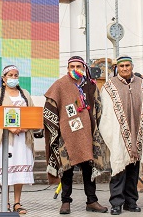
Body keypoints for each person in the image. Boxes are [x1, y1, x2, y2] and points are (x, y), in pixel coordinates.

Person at [44, 56, 108, 215]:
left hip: (88, 136)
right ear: (67, 68)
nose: (75, 69)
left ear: (84, 67)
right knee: (66, 170)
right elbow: (49, 107)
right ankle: (65, 202)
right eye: (72, 66)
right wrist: (57, 128)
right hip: (67, 136)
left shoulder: (91, 86)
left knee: (89, 170)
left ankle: (92, 201)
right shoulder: (60, 85)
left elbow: (99, 108)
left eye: (78, 66)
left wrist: (96, 128)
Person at [99, 56, 143, 215]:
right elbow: (106, 112)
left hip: (137, 135)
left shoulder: (142, 85)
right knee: (118, 170)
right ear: (117, 68)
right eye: (121, 66)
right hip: (118, 134)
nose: (124, 68)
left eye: (127, 65)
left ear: (132, 66)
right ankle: (116, 203)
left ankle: (131, 202)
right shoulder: (109, 86)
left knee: (133, 172)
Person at [0, 65, 35, 214]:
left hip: (23, 139)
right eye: (10, 75)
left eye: (16, 75)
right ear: (3, 78)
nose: (13, 78)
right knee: (6, 169)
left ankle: (17, 202)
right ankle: (6, 202)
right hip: (5, 139)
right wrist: (9, 128)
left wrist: (25, 127)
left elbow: (32, 114)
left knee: (20, 168)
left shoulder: (25, 94)